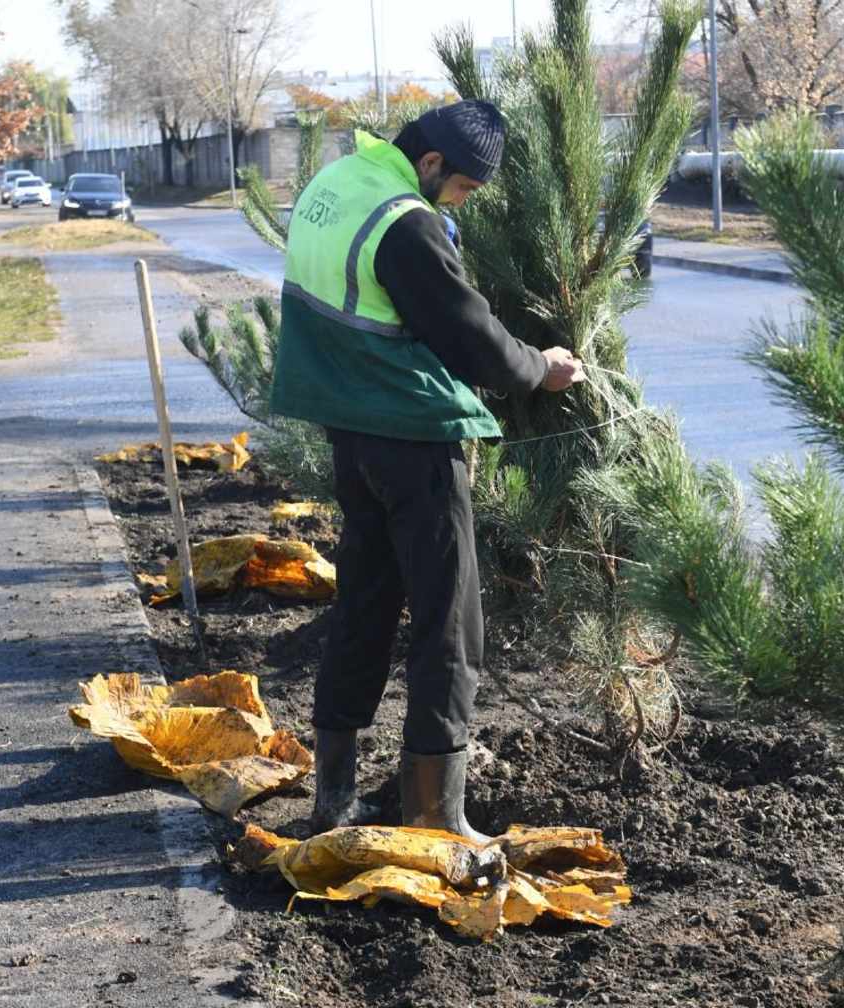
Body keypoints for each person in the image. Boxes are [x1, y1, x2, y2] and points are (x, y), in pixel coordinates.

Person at [270, 99, 583, 844]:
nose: (461, 203)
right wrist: (542, 368)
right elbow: (471, 336)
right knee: (449, 622)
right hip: (412, 433)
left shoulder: (338, 180)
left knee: (365, 605)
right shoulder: (405, 219)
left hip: (350, 431)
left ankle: (335, 799)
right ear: (434, 161)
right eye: (466, 189)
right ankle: (437, 816)